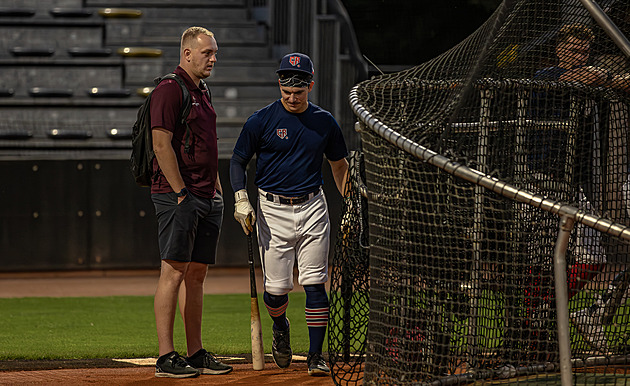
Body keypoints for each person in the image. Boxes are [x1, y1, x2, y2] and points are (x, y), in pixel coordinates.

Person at [229, 52, 349, 376]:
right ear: (279, 85)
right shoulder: (261, 119)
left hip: (313, 206)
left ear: (310, 85)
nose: (292, 98)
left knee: (314, 283)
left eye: (298, 91)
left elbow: (339, 166)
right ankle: (280, 326)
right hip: (271, 209)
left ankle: (315, 355)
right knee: (276, 291)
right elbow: (237, 160)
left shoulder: (325, 122)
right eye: (286, 92)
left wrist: (350, 201)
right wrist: (241, 198)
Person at [150, 26, 232, 378]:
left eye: (214, 52)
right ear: (187, 54)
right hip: (179, 196)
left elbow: (205, 142)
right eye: (207, 52)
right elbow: (160, 144)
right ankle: (166, 357)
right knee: (173, 272)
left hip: (206, 195)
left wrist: (215, 189)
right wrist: (181, 192)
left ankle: (195, 352)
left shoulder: (203, 89)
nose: (213, 58)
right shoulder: (170, 89)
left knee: (196, 275)